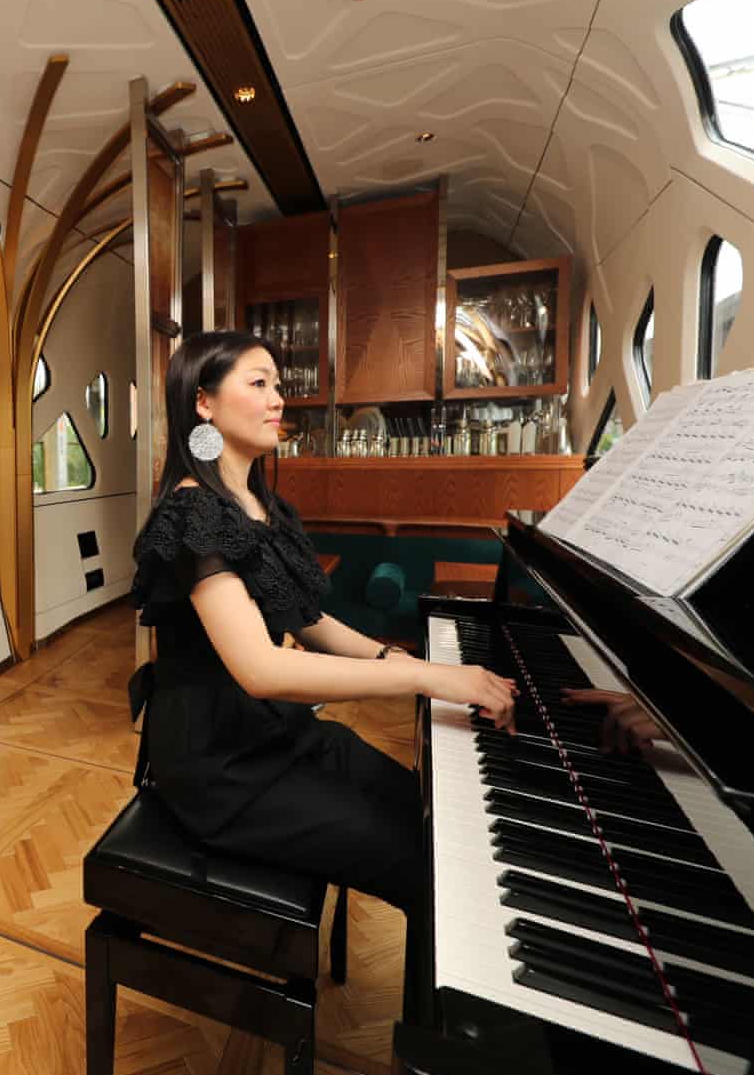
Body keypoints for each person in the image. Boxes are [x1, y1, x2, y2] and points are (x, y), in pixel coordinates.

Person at [129, 331, 517, 914]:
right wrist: (429, 681)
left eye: (279, 385)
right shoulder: (193, 512)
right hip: (221, 765)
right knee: (422, 861)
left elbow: (309, 621)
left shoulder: (261, 504)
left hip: (279, 733)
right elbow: (259, 669)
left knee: (429, 812)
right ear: (203, 403)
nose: (278, 398)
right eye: (258, 384)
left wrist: (398, 659)